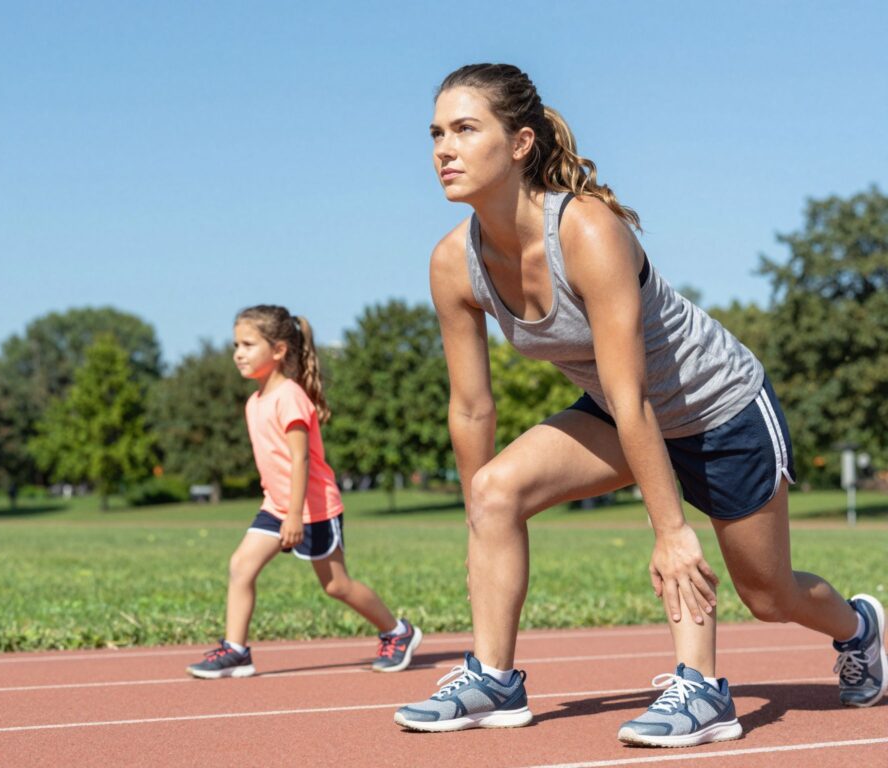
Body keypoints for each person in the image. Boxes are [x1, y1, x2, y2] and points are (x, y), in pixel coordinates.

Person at [393, 63, 886, 744]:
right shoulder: (454, 263)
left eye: (466, 129)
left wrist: (670, 530)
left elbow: (635, 394)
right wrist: (482, 518)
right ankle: (501, 679)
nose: (443, 149)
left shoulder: (587, 232)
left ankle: (859, 627)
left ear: (519, 143)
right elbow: (471, 408)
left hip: (720, 408)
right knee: (498, 490)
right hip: (620, 409)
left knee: (770, 595)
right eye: (436, 133)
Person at [187, 305, 422, 679]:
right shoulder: (255, 401)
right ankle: (236, 650)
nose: (238, 353)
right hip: (276, 506)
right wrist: (282, 509)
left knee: (336, 585)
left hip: (313, 509)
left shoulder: (290, 397)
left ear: (278, 350)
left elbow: (302, 461)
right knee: (240, 566)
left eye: (248, 344)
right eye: (236, 344)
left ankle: (398, 631)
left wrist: (295, 515)